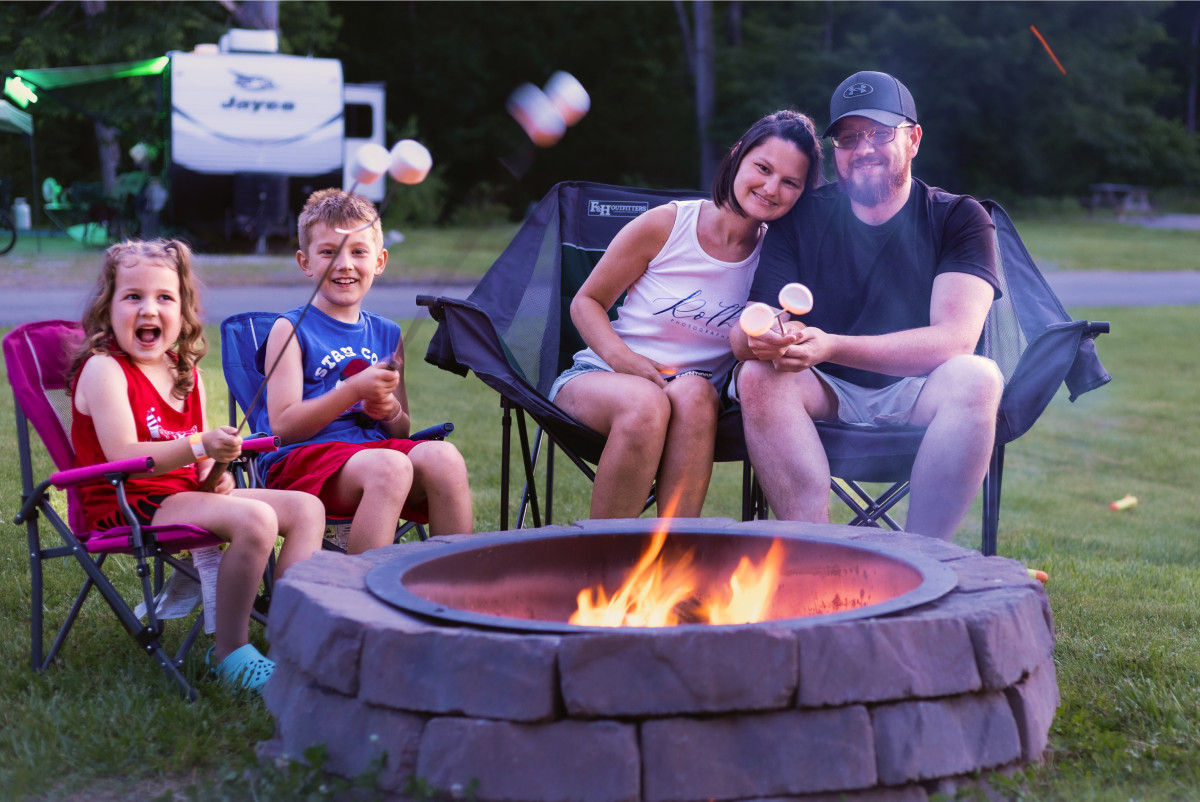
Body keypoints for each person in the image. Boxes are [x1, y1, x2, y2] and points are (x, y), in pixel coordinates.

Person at [730, 71, 1004, 541]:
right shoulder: (802, 218)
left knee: (978, 376)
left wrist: (831, 345)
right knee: (756, 377)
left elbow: (955, 339)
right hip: (825, 391)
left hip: (918, 393)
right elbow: (752, 325)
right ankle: (815, 561)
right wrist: (764, 338)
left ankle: (922, 560)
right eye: (848, 138)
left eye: (879, 133)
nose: (863, 149)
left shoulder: (959, 218)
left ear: (914, 138)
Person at [69, 239, 324, 692]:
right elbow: (124, 457)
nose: (149, 309)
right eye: (133, 296)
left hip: (183, 495)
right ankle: (229, 652)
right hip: (130, 501)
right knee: (257, 518)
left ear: (184, 311)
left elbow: (201, 463)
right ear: (107, 308)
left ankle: (287, 633)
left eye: (165, 297)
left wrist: (217, 470)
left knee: (306, 508)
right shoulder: (104, 369)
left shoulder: (183, 371)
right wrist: (197, 446)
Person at [550, 110, 824, 519]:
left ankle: (675, 565)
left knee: (696, 393)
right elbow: (586, 302)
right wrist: (625, 361)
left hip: (694, 400)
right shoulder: (668, 224)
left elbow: (781, 322)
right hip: (602, 379)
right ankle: (604, 561)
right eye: (763, 168)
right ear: (737, 156)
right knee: (645, 404)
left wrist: (785, 332)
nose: (771, 188)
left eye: (790, 182)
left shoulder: (778, 258)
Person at [259, 188, 473, 553]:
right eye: (328, 252)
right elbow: (283, 427)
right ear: (305, 261)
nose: (344, 264)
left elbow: (401, 427)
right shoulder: (289, 330)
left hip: (373, 454)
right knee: (390, 466)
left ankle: (453, 588)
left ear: (379, 260)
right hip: (304, 463)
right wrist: (354, 390)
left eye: (358, 251)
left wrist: (388, 410)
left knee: (444, 458)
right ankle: (359, 600)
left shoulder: (387, 332)